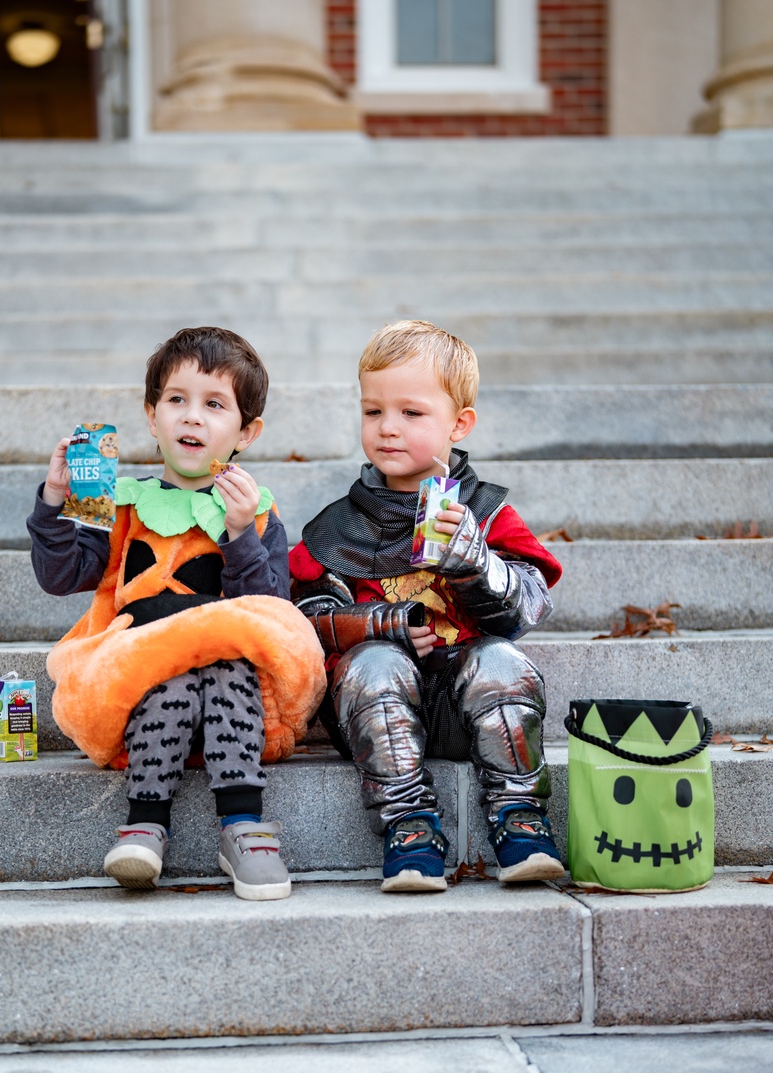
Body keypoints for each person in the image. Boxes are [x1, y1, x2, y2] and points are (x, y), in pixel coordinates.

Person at [28, 326, 324, 901]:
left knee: (225, 665)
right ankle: (146, 823)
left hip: (234, 687)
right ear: (151, 415)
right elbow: (62, 576)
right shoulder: (122, 504)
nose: (193, 418)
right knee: (169, 678)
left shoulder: (255, 513)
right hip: (145, 677)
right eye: (177, 400)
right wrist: (54, 503)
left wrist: (239, 535)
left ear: (246, 432)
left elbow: (271, 612)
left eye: (215, 405)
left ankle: (243, 826)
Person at [289, 320, 564, 890]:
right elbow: (299, 618)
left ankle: (521, 818)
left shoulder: (486, 514)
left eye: (411, 413)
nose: (388, 428)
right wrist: (378, 625)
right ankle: (409, 825)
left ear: (458, 423)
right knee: (374, 662)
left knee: (501, 662)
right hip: (375, 708)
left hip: (469, 704)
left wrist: (475, 561)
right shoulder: (335, 527)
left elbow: (527, 608)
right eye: (373, 411)